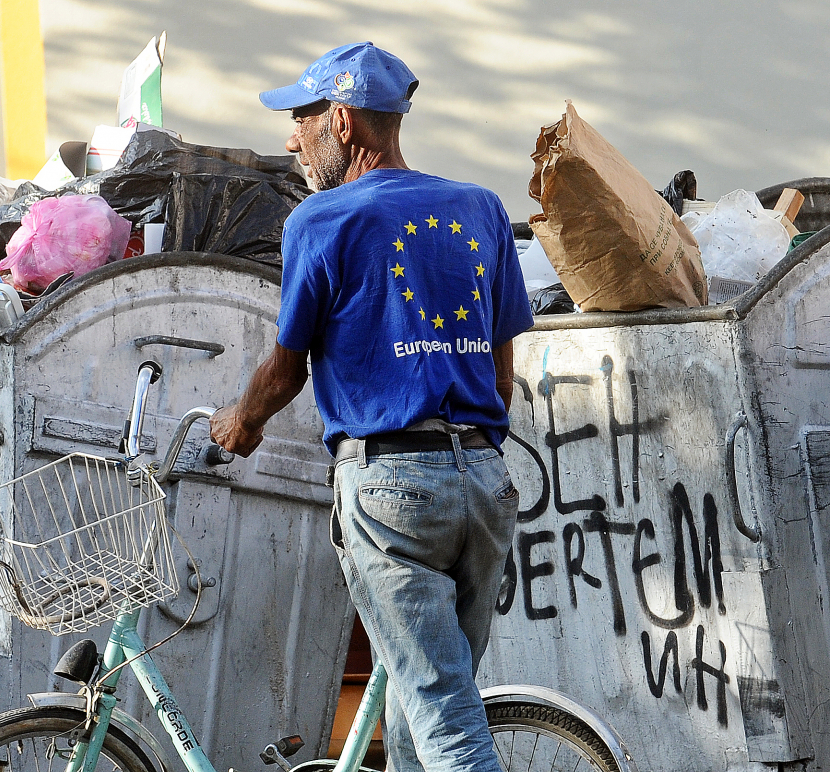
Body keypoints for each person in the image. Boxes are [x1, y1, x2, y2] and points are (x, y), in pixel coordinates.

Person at [208, 42, 535, 772]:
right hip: (483, 482)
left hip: (391, 490)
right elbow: (504, 373)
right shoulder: (481, 209)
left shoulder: (321, 221)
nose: (292, 138)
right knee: (424, 708)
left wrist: (243, 422)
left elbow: (287, 369)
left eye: (304, 117)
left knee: (445, 721)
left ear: (345, 121)